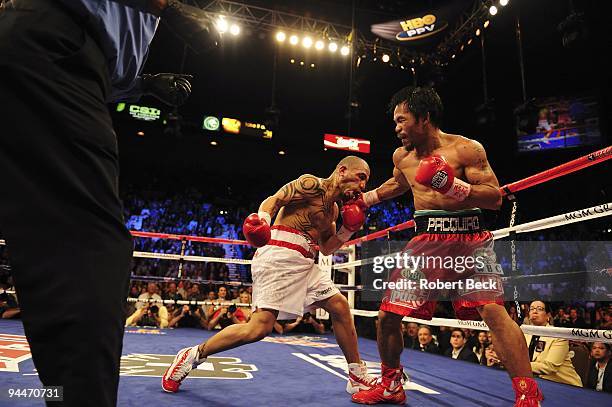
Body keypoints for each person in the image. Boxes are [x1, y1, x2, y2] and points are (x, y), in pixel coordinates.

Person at [0, 0, 213, 404]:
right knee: (92, 248)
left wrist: (142, 84)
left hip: (47, 50)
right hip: (53, 50)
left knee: (55, 246)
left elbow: (105, 50)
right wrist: (168, 8)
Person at [352, 86, 543, 406]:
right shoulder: (402, 156)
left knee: (494, 313)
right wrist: (367, 198)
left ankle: (527, 393)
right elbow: (400, 183)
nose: (396, 128)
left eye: (402, 120)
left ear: (424, 118)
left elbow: (494, 197)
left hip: (471, 241)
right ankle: (391, 385)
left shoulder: (466, 150)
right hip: (426, 242)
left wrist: (452, 185)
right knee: (387, 316)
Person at [162, 156, 376, 396]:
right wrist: (262, 221)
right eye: (361, 178)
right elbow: (273, 200)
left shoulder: (334, 211)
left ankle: (357, 375)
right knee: (258, 329)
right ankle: (193, 355)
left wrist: (348, 229)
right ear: (342, 170)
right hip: (280, 254)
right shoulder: (311, 184)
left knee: (340, 306)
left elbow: (326, 248)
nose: (362, 187)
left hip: (307, 261)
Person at [525, 301, 582, 387]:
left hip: (565, 385)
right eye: (532, 309)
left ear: (548, 316)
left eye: (539, 309)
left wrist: (515, 364)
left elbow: (549, 367)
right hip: (539, 383)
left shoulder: (558, 336)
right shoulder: (525, 333)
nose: (535, 311)